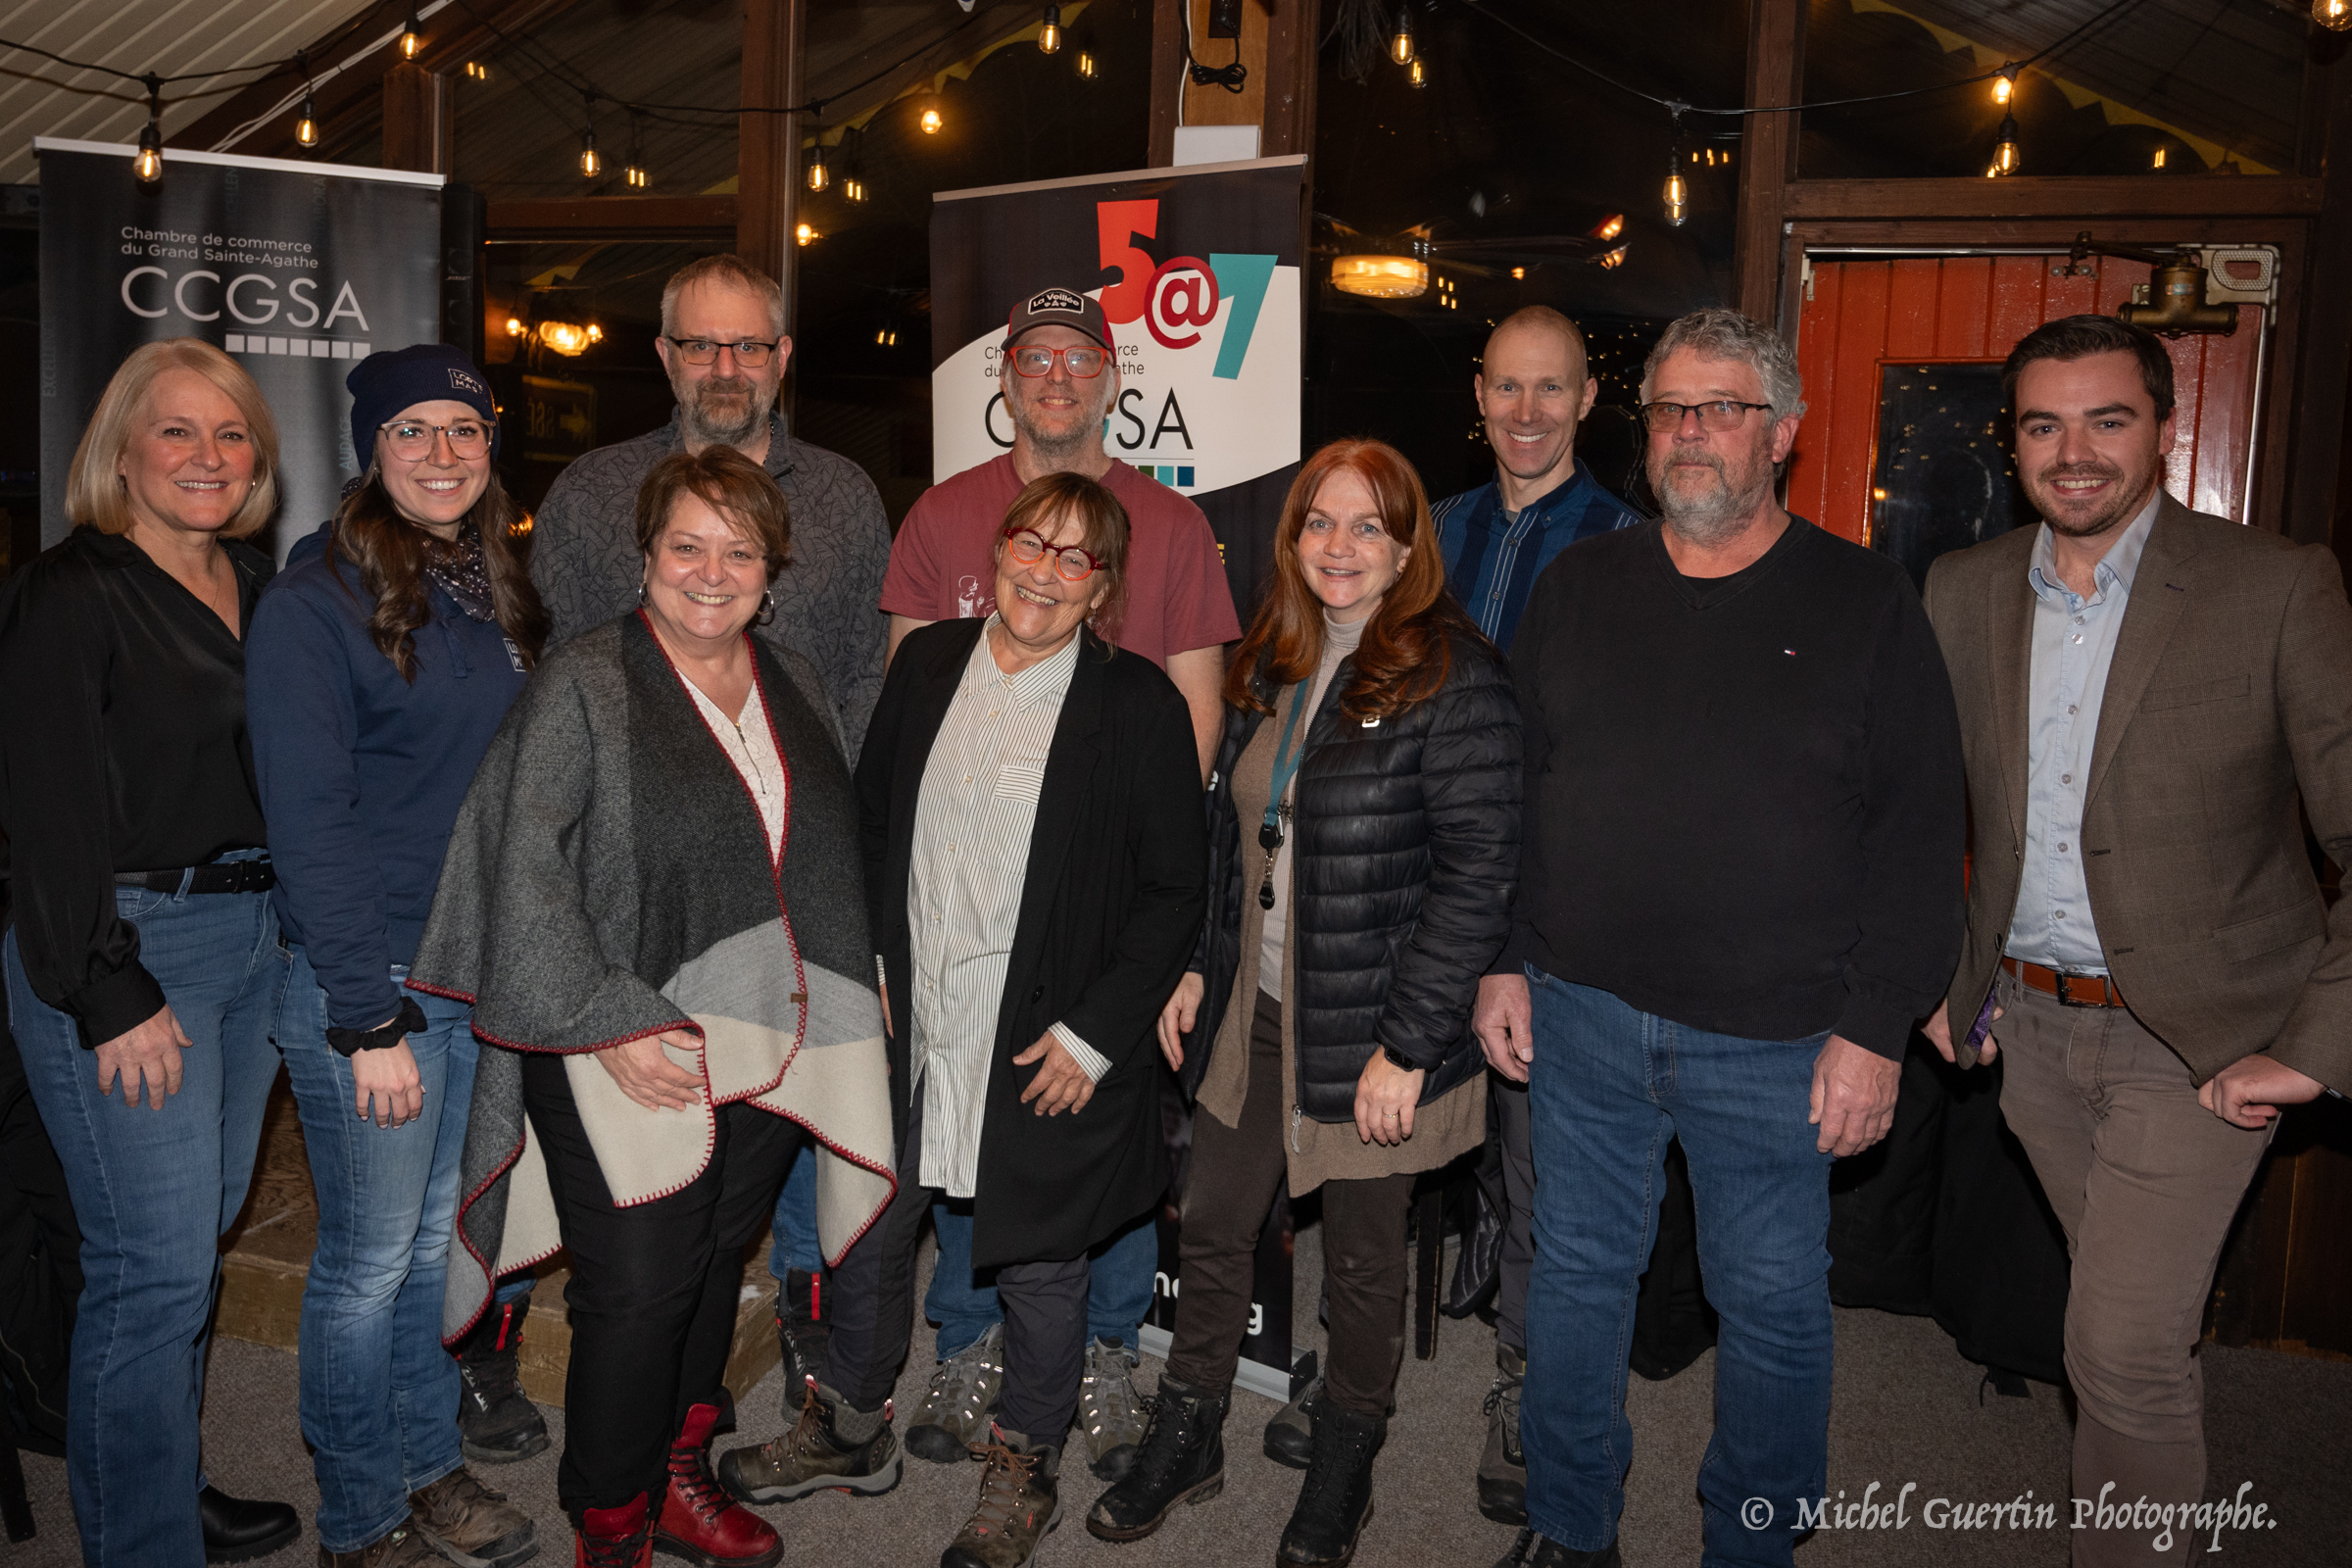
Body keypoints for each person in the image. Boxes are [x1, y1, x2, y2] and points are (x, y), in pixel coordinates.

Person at [1482, 308, 1966, 1568]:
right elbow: (1522, 794)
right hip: (1583, 1012)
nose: (1690, 434)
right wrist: (1502, 955)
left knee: (1771, 1307)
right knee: (1580, 1282)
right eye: (1670, 411)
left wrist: (1875, 1028)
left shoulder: (1866, 602)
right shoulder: (1578, 589)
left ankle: (1751, 1542)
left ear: (1784, 433)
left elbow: (1922, 837)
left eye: (1721, 409)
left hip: (1779, 1036)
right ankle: (1569, 1523)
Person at [412, 446, 897, 1568]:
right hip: (614, 1037)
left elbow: (816, 856)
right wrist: (605, 1018)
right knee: (636, 1289)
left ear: (772, 573)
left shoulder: (796, 681)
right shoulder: (585, 679)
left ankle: (677, 1476)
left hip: (769, 1035)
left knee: (716, 1260)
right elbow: (519, 868)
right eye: (688, 545)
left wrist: (845, 971)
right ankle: (611, 1520)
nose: (712, 572)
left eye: (741, 551)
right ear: (645, 556)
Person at [1918, 315, 2352, 1568]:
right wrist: (1944, 979)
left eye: (2108, 419)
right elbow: (1918, 810)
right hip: (2029, 1038)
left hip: (2196, 1041)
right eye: (2045, 424)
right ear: (2013, 445)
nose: (2077, 452)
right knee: (2135, 1333)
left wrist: (2317, 1047)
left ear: (2165, 426)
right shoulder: (1964, 588)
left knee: (2115, 1347)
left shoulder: (2274, 585)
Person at [720, 471, 1205, 1568]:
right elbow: (871, 818)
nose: (1043, 569)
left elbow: (1176, 889)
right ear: (999, 551)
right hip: (915, 1011)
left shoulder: (1137, 706)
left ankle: (1023, 1461)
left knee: (1036, 1262)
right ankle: (848, 1420)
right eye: (1031, 542)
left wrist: (1095, 1035)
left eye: (1075, 558)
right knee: (874, 1224)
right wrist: (873, 959)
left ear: (1101, 587)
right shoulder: (931, 661)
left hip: (1042, 1035)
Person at [1087, 437, 1519, 1567]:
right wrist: (1193, 962)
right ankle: (1191, 1432)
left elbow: (1479, 875)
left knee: (1367, 1260)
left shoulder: (1453, 673)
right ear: (1292, 541)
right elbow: (1231, 842)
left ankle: (1346, 1461)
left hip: (1377, 1031)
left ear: (1407, 545)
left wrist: (1409, 1044)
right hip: (1255, 1006)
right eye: (1319, 523)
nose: (1339, 546)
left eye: (1367, 525)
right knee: (1216, 1221)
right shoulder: (1273, 655)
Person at [511, 250, 892, 1442]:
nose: (726, 367)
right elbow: (564, 704)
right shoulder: (588, 493)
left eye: (751, 345)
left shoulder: (845, 497)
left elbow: (863, 693)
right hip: (636, 905)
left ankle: (722, 1398)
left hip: (786, 901)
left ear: (782, 360)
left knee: (740, 1198)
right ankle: (609, 1461)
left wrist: (845, 902)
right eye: (701, 344)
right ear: (667, 356)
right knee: (642, 1215)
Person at [878, 285, 1240, 1477]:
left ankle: (1096, 1358)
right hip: (966, 911)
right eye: (1034, 356)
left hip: (1104, 900)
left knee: (1093, 1146)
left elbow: (1193, 733)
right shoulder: (943, 517)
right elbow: (907, 749)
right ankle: (972, 1345)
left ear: (1112, 378)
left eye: (1079, 358)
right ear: (1007, 376)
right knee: (964, 1137)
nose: (1056, 376)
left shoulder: (1171, 527)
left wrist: (1152, 945)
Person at [0, 338, 302, 1566]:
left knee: (193, 1241)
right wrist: (108, 989)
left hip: (250, 942)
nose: (208, 456)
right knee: (153, 1267)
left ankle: (160, 1484)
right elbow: (44, 812)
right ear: (121, 449)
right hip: (129, 948)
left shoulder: (261, 584)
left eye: (231, 435)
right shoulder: (69, 591)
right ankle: (143, 1540)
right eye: (177, 431)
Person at [246, 345, 545, 1568]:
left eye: (462, 432)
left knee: (432, 1247)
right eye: (412, 431)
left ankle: (430, 1468)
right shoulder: (312, 602)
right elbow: (308, 821)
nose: (440, 453)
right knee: (368, 1265)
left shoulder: (488, 587)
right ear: (373, 449)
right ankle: (361, 1513)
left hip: (470, 973)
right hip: (371, 988)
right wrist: (365, 1021)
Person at [1427, 306, 1645, 1526]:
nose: (1525, 412)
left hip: (1551, 906)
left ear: (1585, 400)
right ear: (1479, 391)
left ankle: (1529, 1380)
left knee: (1544, 1167)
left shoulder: (1628, 542)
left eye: (1548, 389)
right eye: (1506, 387)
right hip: (1427, 883)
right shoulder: (1438, 532)